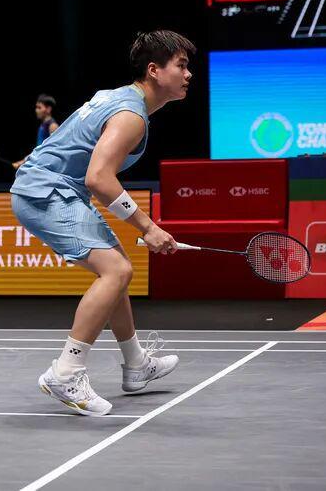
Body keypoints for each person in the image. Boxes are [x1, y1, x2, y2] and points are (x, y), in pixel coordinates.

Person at [10, 30, 194, 416]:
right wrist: (148, 227)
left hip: (54, 187)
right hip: (47, 192)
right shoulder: (130, 116)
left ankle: (136, 363)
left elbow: (72, 145)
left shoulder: (116, 97)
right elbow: (99, 178)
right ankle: (66, 372)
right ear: (154, 70)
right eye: (181, 65)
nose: (187, 73)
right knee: (116, 271)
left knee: (118, 268)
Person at [11, 94, 60, 171]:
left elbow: (51, 151)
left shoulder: (53, 126)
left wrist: (24, 161)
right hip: (39, 164)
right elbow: (39, 148)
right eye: (36, 107)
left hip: (45, 168)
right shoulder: (42, 125)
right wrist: (24, 160)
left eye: (39, 107)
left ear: (48, 109)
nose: (36, 110)